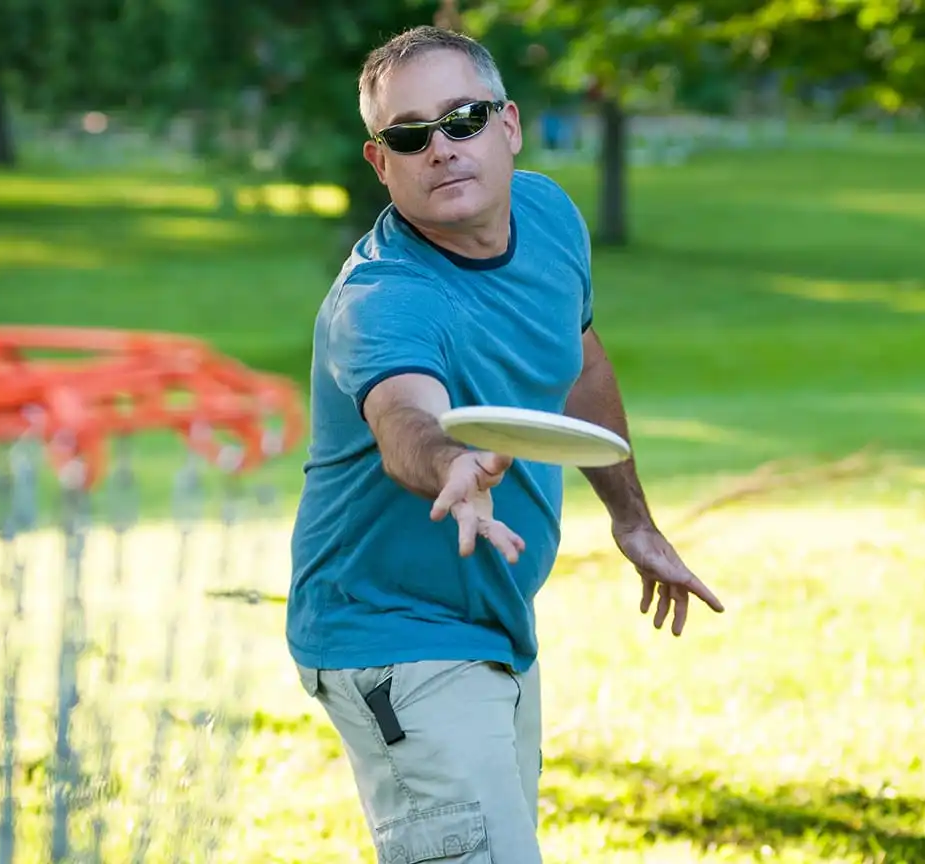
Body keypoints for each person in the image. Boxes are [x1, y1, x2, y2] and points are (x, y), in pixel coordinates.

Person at [286, 25, 725, 863]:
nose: (441, 148)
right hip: (393, 636)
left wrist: (630, 518)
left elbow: (579, 358)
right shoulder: (381, 298)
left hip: (494, 621)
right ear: (382, 163)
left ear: (510, 126)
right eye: (410, 135)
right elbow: (403, 418)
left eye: (463, 119)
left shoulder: (550, 218)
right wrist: (451, 461)